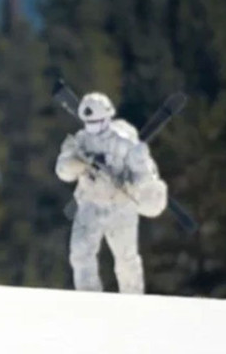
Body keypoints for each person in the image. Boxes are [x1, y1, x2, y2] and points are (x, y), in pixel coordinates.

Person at [55, 92, 168, 294]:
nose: (92, 128)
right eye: (88, 123)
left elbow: (145, 176)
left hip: (121, 207)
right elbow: (62, 170)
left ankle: (132, 300)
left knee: (126, 260)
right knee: (81, 254)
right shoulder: (81, 141)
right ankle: (89, 298)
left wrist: (130, 183)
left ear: (107, 119)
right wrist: (77, 165)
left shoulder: (125, 143)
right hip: (90, 205)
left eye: (96, 122)